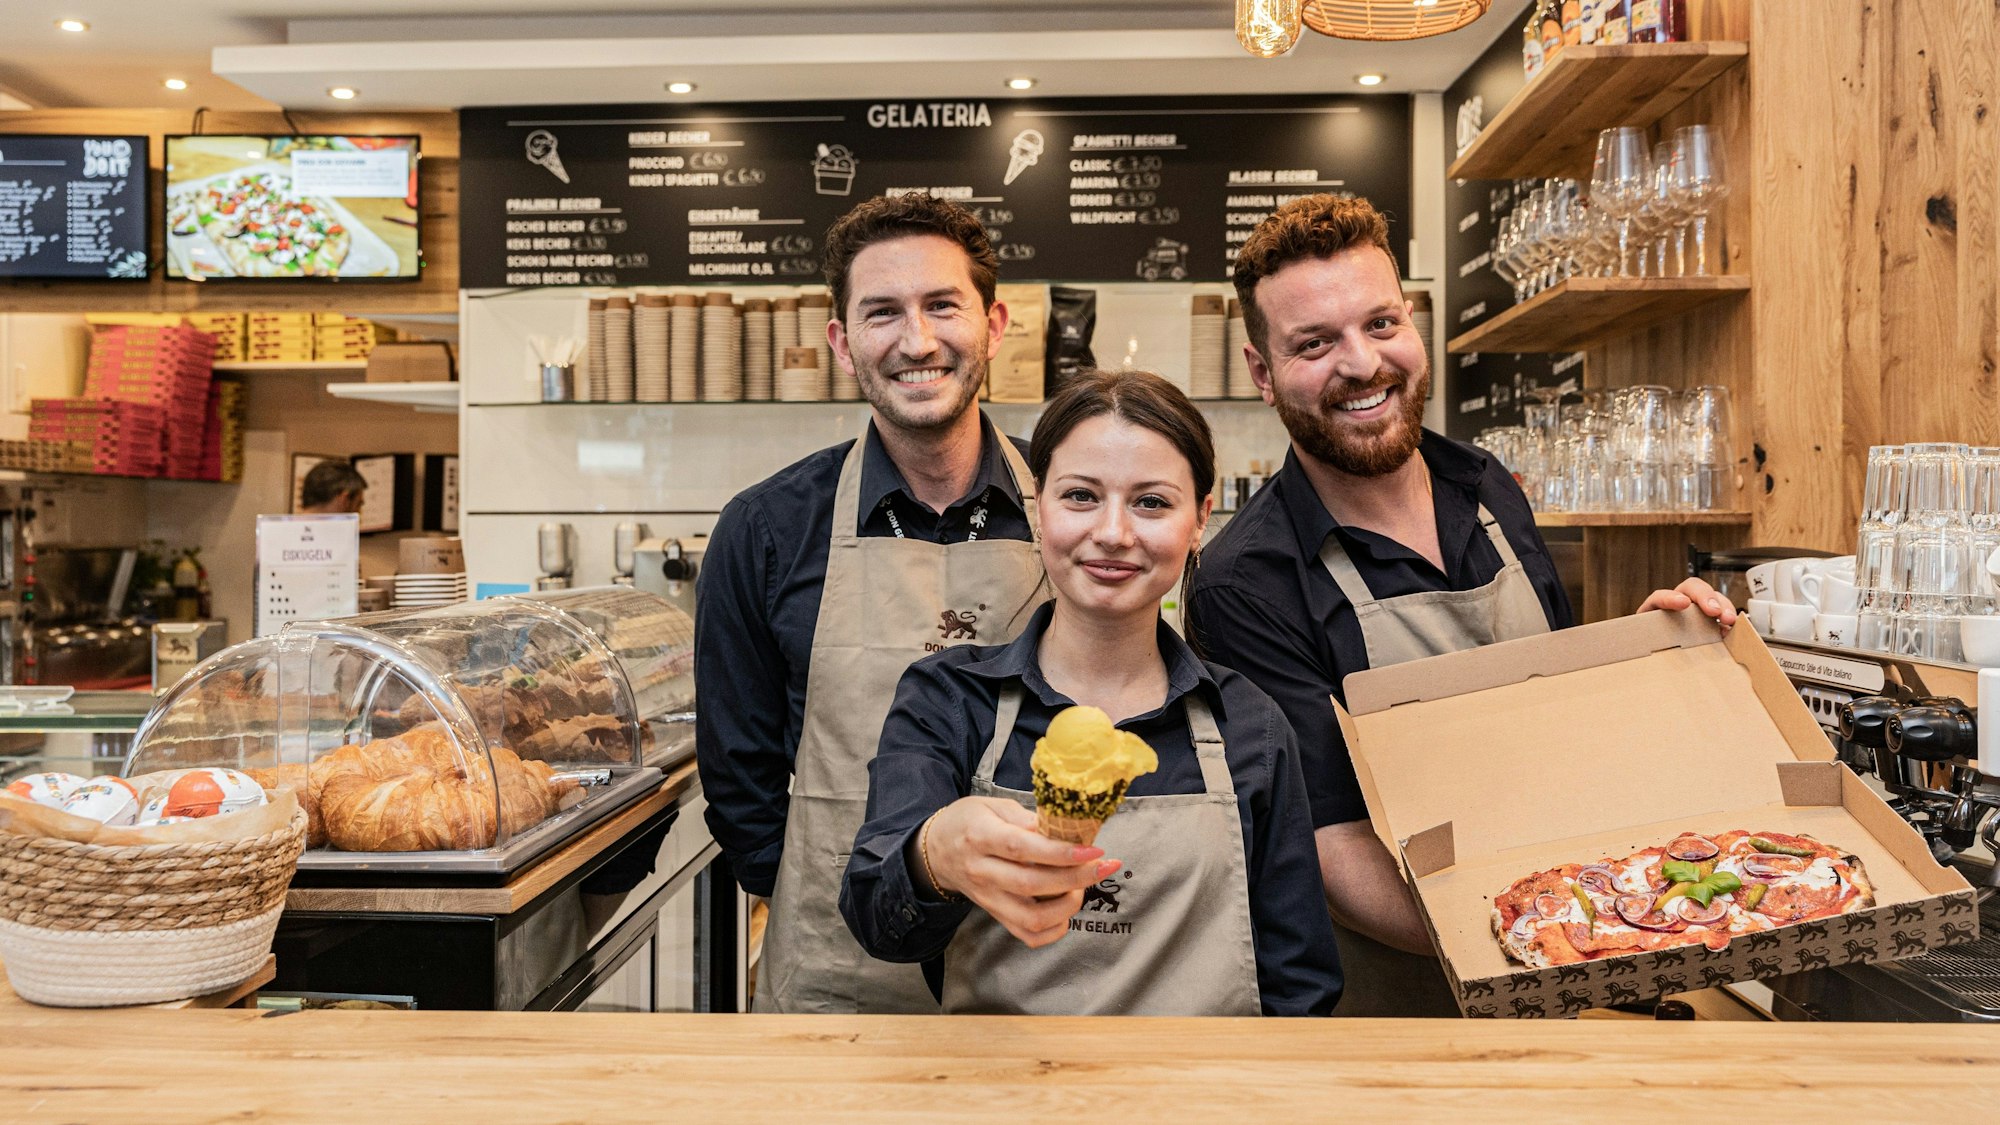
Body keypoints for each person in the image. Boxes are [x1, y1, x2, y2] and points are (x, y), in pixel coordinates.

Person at [1186, 194, 1736, 1016]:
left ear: (1411, 323)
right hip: (1403, 1009)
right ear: (1262, 373)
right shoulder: (1245, 581)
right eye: (1314, 343)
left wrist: (1656, 661)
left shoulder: (1489, 488)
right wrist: (1539, 939)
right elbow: (1327, 848)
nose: (1363, 363)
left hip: (1572, 963)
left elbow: (1558, 718)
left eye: (1380, 324)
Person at [841, 369, 1341, 1017]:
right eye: (1080, 495)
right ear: (1037, 506)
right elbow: (879, 925)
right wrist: (936, 853)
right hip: (1006, 1102)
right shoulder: (950, 699)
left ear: (1199, 520)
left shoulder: (1250, 724)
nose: (1113, 531)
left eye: (1152, 502)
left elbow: (1300, 986)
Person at [695, 193, 1050, 1014]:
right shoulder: (765, 529)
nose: (916, 341)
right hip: (839, 974)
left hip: (1045, 963)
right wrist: (826, 889)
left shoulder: (1070, 505)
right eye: (882, 312)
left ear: (994, 327)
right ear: (843, 343)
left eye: (942, 306)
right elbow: (740, 780)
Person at [298, 459, 367, 514]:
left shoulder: (289, 529)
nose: (359, 513)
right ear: (344, 500)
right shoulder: (340, 531)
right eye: (358, 505)